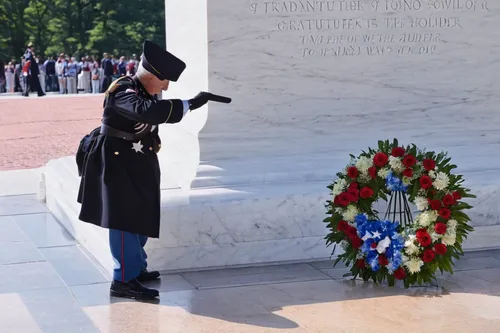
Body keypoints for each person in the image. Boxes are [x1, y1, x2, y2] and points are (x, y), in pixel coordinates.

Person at [76, 40, 228, 300]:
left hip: (136, 161)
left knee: (140, 214)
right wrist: (189, 104)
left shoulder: (145, 90)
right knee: (123, 220)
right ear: (151, 75)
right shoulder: (123, 89)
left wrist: (190, 104)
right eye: (165, 81)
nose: (166, 87)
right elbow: (146, 112)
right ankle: (123, 280)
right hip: (117, 163)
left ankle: (136, 268)